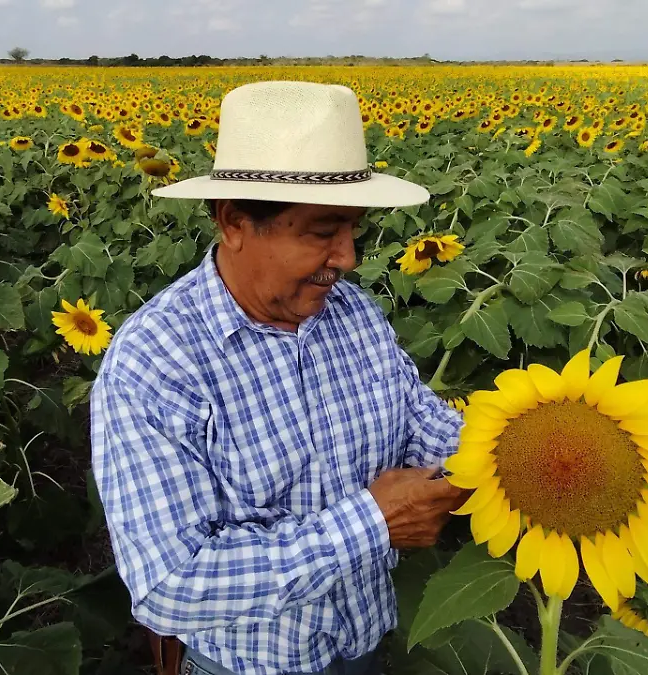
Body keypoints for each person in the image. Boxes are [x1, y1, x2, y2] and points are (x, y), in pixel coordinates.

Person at [91, 81, 465, 675]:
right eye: (322, 232)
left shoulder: (352, 311)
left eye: (352, 230)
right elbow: (169, 584)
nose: (347, 257)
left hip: (367, 641)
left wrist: (515, 453)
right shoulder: (157, 360)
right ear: (235, 222)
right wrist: (372, 522)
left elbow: (421, 421)